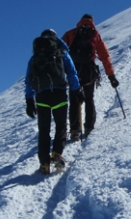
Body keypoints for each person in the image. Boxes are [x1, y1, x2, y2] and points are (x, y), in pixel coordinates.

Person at [25, 29, 83, 174]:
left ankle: (44, 163)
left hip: (41, 96)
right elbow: (71, 72)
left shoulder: (35, 57)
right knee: (61, 126)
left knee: (44, 130)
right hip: (59, 93)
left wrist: (29, 100)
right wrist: (77, 90)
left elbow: (28, 80)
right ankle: (57, 154)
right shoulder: (62, 53)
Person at [62, 14, 119, 141]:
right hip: (89, 71)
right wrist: (111, 76)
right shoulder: (95, 35)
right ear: (92, 21)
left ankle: (75, 130)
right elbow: (105, 56)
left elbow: (60, 52)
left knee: (74, 99)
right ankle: (89, 127)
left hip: (74, 71)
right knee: (89, 99)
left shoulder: (71, 33)